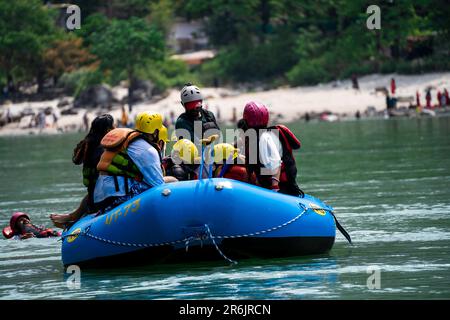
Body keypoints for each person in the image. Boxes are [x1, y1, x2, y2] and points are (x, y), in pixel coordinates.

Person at [93, 111, 170, 212]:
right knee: (169, 182)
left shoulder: (132, 141)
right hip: (118, 197)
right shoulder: (148, 150)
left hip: (100, 198)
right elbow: (159, 186)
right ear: (156, 133)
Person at [50, 114, 115, 228]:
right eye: (113, 125)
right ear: (107, 130)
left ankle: (72, 217)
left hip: (92, 195)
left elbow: (76, 160)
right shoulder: (104, 150)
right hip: (103, 197)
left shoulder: (89, 145)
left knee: (91, 192)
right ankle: (72, 220)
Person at [238, 101, 303, 197]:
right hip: (278, 187)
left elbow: (276, 163)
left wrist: (274, 188)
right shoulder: (257, 137)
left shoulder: (263, 138)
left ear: (246, 121)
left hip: (281, 190)